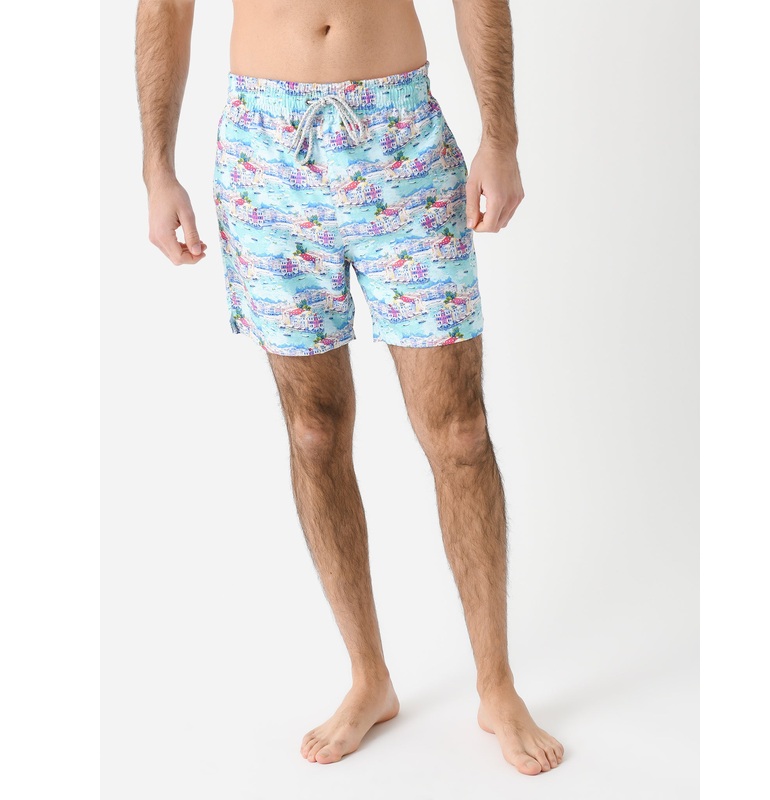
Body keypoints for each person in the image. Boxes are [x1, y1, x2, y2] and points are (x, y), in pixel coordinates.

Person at [135, 0, 564, 776]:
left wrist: (500, 137)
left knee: (460, 430)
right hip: (267, 156)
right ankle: (369, 679)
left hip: (399, 137)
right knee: (314, 431)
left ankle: (497, 687)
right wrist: (156, 168)